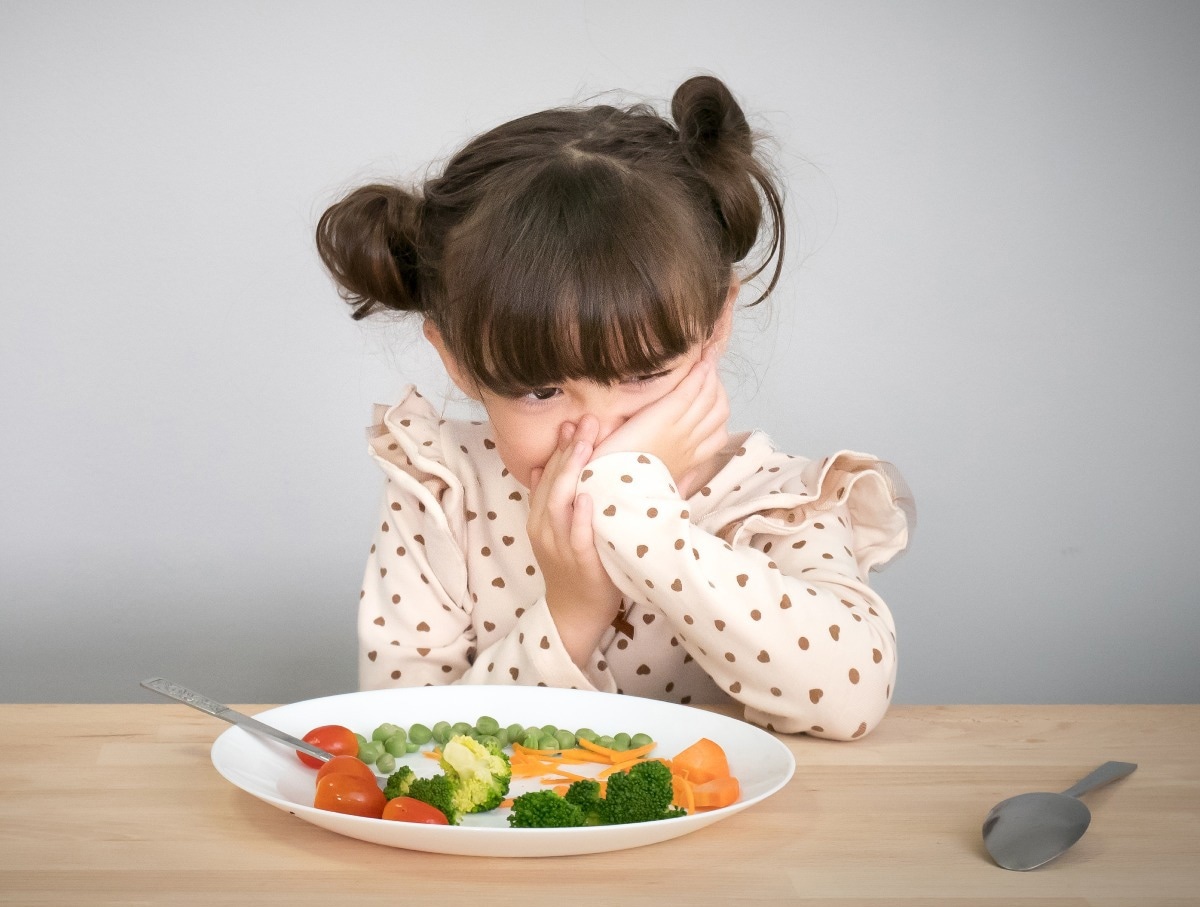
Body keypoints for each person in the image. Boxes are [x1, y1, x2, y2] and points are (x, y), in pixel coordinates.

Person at [316, 75, 913, 739]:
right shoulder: (441, 493)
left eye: (644, 375)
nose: (597, 435)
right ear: (456, 359)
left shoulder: (774, 503)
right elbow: (407, 740)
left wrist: (639, 519)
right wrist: (573, 612)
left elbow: (850, 698)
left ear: (716, 323)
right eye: (541, 391)